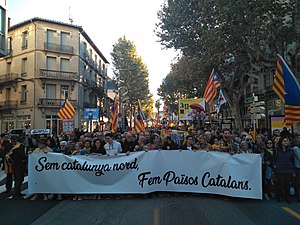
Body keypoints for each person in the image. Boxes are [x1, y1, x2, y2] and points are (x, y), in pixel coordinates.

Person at [273, 137, 295, 203]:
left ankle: (287, 197)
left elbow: (292, 160)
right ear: (281, 142)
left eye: (287, 141)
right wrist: (275, 165)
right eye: (284, 141)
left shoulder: (290, 150)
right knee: (280, 184)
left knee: (287, 184)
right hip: (279, 170)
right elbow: (274, 159)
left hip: (288, 170)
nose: (286, 142)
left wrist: (293, 170)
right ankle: (279, 197)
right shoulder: (276, 150)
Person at [292, 134, 300, 202]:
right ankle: (298, 196)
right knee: (297, 182)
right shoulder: (295, 148)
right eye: (298, 138)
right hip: (298, 168)